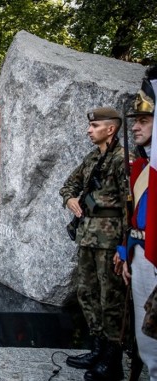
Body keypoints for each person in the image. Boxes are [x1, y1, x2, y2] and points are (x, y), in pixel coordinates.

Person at [59, 107, 127, 380]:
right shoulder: (91, 159)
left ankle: (112, 359)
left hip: (110, 240)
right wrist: (70, 200)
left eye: (95, 126)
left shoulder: (123, 161)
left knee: (110, 298)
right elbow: (67, 186)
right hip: (87, 236)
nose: (89, 130)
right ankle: (97, 348)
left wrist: (124, 246)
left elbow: (129, 208)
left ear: (110, 129)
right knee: (86, 293)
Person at [116, 66, 157, 380]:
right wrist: (125, 249)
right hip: (141, 254)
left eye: (144, 120)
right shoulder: (142, 167)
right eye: (136, 121)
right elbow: (133, 218)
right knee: (147, 342)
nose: (137, 127)